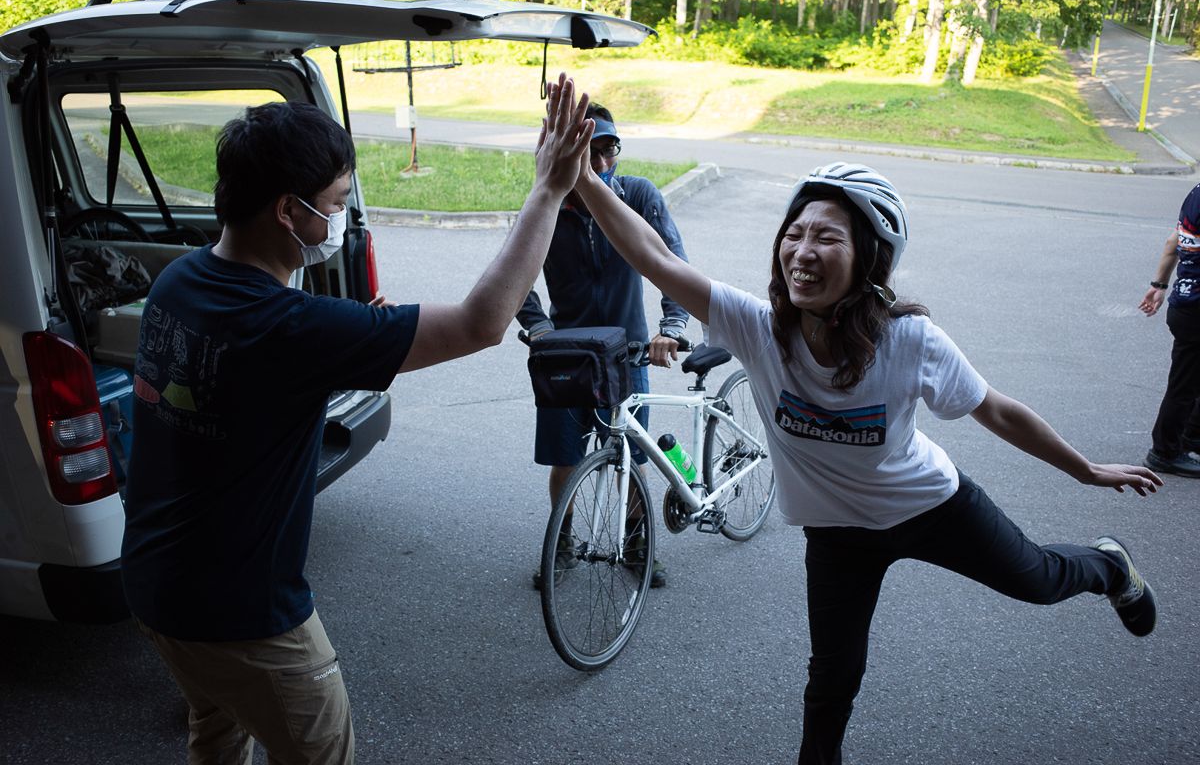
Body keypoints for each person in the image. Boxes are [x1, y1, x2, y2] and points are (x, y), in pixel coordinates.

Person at [566, 136, 1161, 764]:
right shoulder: (757, 326)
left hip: (930, 506)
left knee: (1038, 580)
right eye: (794, 233)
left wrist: (1085, 469)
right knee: (832, 679)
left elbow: (997, 409)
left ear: (869, 259)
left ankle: (1110, 566)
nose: (802, 251)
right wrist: (581, 175)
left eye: (828, 237)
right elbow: (655, 257)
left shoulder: (909, 340)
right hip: (836, 533)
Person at [120, 77, 593, 765]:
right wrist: (548, 189)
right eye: (337, 203)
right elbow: (482, 323)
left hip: (156, 584)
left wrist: (343, 335)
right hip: (244, 615)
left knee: (217, 722)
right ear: (288, 210)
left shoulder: (182, 282)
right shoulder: (289, 330)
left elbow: (261, 355)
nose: (340, 218)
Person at [517, 103, 690, 589]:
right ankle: (563, 541)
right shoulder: (544, 205)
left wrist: (671, 325)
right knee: (565, 458)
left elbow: (671, 259)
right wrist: (538, 328)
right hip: (566, 354)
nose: (597, 162)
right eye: (587, 150)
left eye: (607, 149)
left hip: (627, 352)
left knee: (631, 457)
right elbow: (513, 279)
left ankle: (637, 543)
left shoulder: (637, 195)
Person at [1138, 181, 1200, 477]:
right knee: (1183, 386)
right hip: (1196, 310)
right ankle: (1164, 451)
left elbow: (1173, 241)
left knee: (1190, 380)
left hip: (1185, 304)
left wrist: (1158, 285)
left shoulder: (1196, 194)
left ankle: (1191, 437)